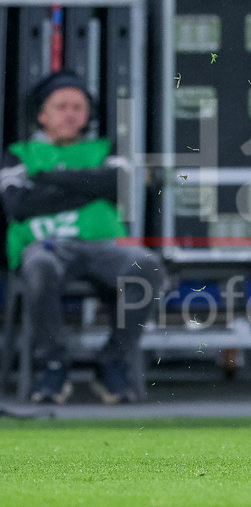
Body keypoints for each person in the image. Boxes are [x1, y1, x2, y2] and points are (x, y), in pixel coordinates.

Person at [0, 71, 165, 404]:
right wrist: (88, 185)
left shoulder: (106, 148)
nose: (70, 113)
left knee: (147, 265)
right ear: (42, 115)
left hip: (103, 246)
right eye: (61, 106)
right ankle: (53, 363)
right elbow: (18, 205)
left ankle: (112, 360)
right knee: (39, 267)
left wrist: (47, 179)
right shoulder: (20, 153)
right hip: (46, 246)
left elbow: (114, 186)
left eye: (78, 106)